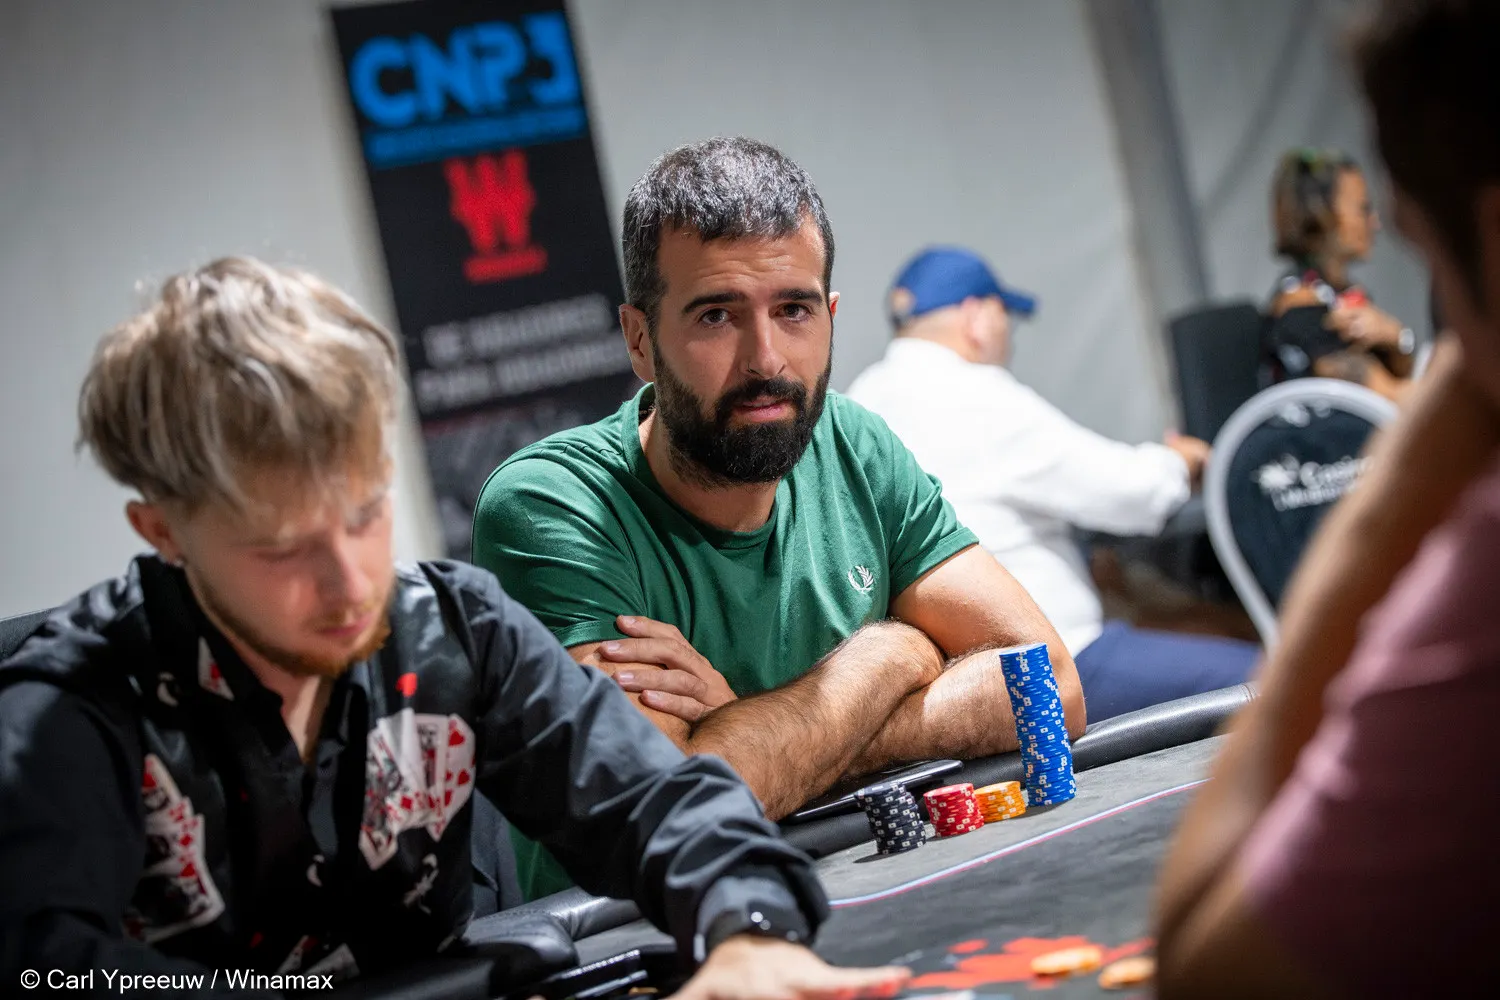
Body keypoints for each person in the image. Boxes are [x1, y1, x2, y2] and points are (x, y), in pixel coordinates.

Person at [0, 257, 912, 999]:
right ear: (163, 532)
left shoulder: (453, 631)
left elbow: (662, 805)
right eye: (282, 549)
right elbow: (45, 966)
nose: (350, 583)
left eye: (365, 514)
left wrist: (749, 933)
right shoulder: (64, 714)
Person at [472, 137, 1086, 901]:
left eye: (793, 310)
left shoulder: (853, 443)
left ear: (830, 317)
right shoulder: (553, 504)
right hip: (651, 936)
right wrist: (889, 654)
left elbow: (1053, 687)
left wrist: (759, 728)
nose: (766, 359)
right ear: (640, 340)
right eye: (716, 316)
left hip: (866, 895)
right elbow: (670, 814)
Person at [1156, 1, 1500, 995]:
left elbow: (1207, 974)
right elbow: (1373, 402)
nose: (1370, 221)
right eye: (1357, 206)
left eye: (1399, 223)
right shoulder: (1308, 310)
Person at [846, 248, 1260, 723]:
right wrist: (1183, 461)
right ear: (977, 317)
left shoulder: (859, 406)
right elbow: (1128, 493)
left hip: (948, 687)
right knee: (1267, 679)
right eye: (1006, 319)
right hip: (1050, 666)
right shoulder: (977, 394)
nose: (1009, 338)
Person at [1263, 147, 1417, 401]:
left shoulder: (1343, 293)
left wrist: (1396, 337)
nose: (1375, 223)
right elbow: (1391, 395)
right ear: (1322, 215)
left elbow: (1400, 377)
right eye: (1363, 209)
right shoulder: (1301, 305)